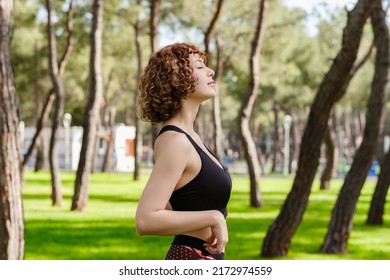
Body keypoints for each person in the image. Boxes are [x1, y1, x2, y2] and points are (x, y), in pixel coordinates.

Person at [135, 42, 232, 260]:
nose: (211, 71)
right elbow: (145, 220)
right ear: (178, 78)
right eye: (199, 66)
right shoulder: (175, 140)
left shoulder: (190, 138)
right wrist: (213, 218)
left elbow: (175, 204)